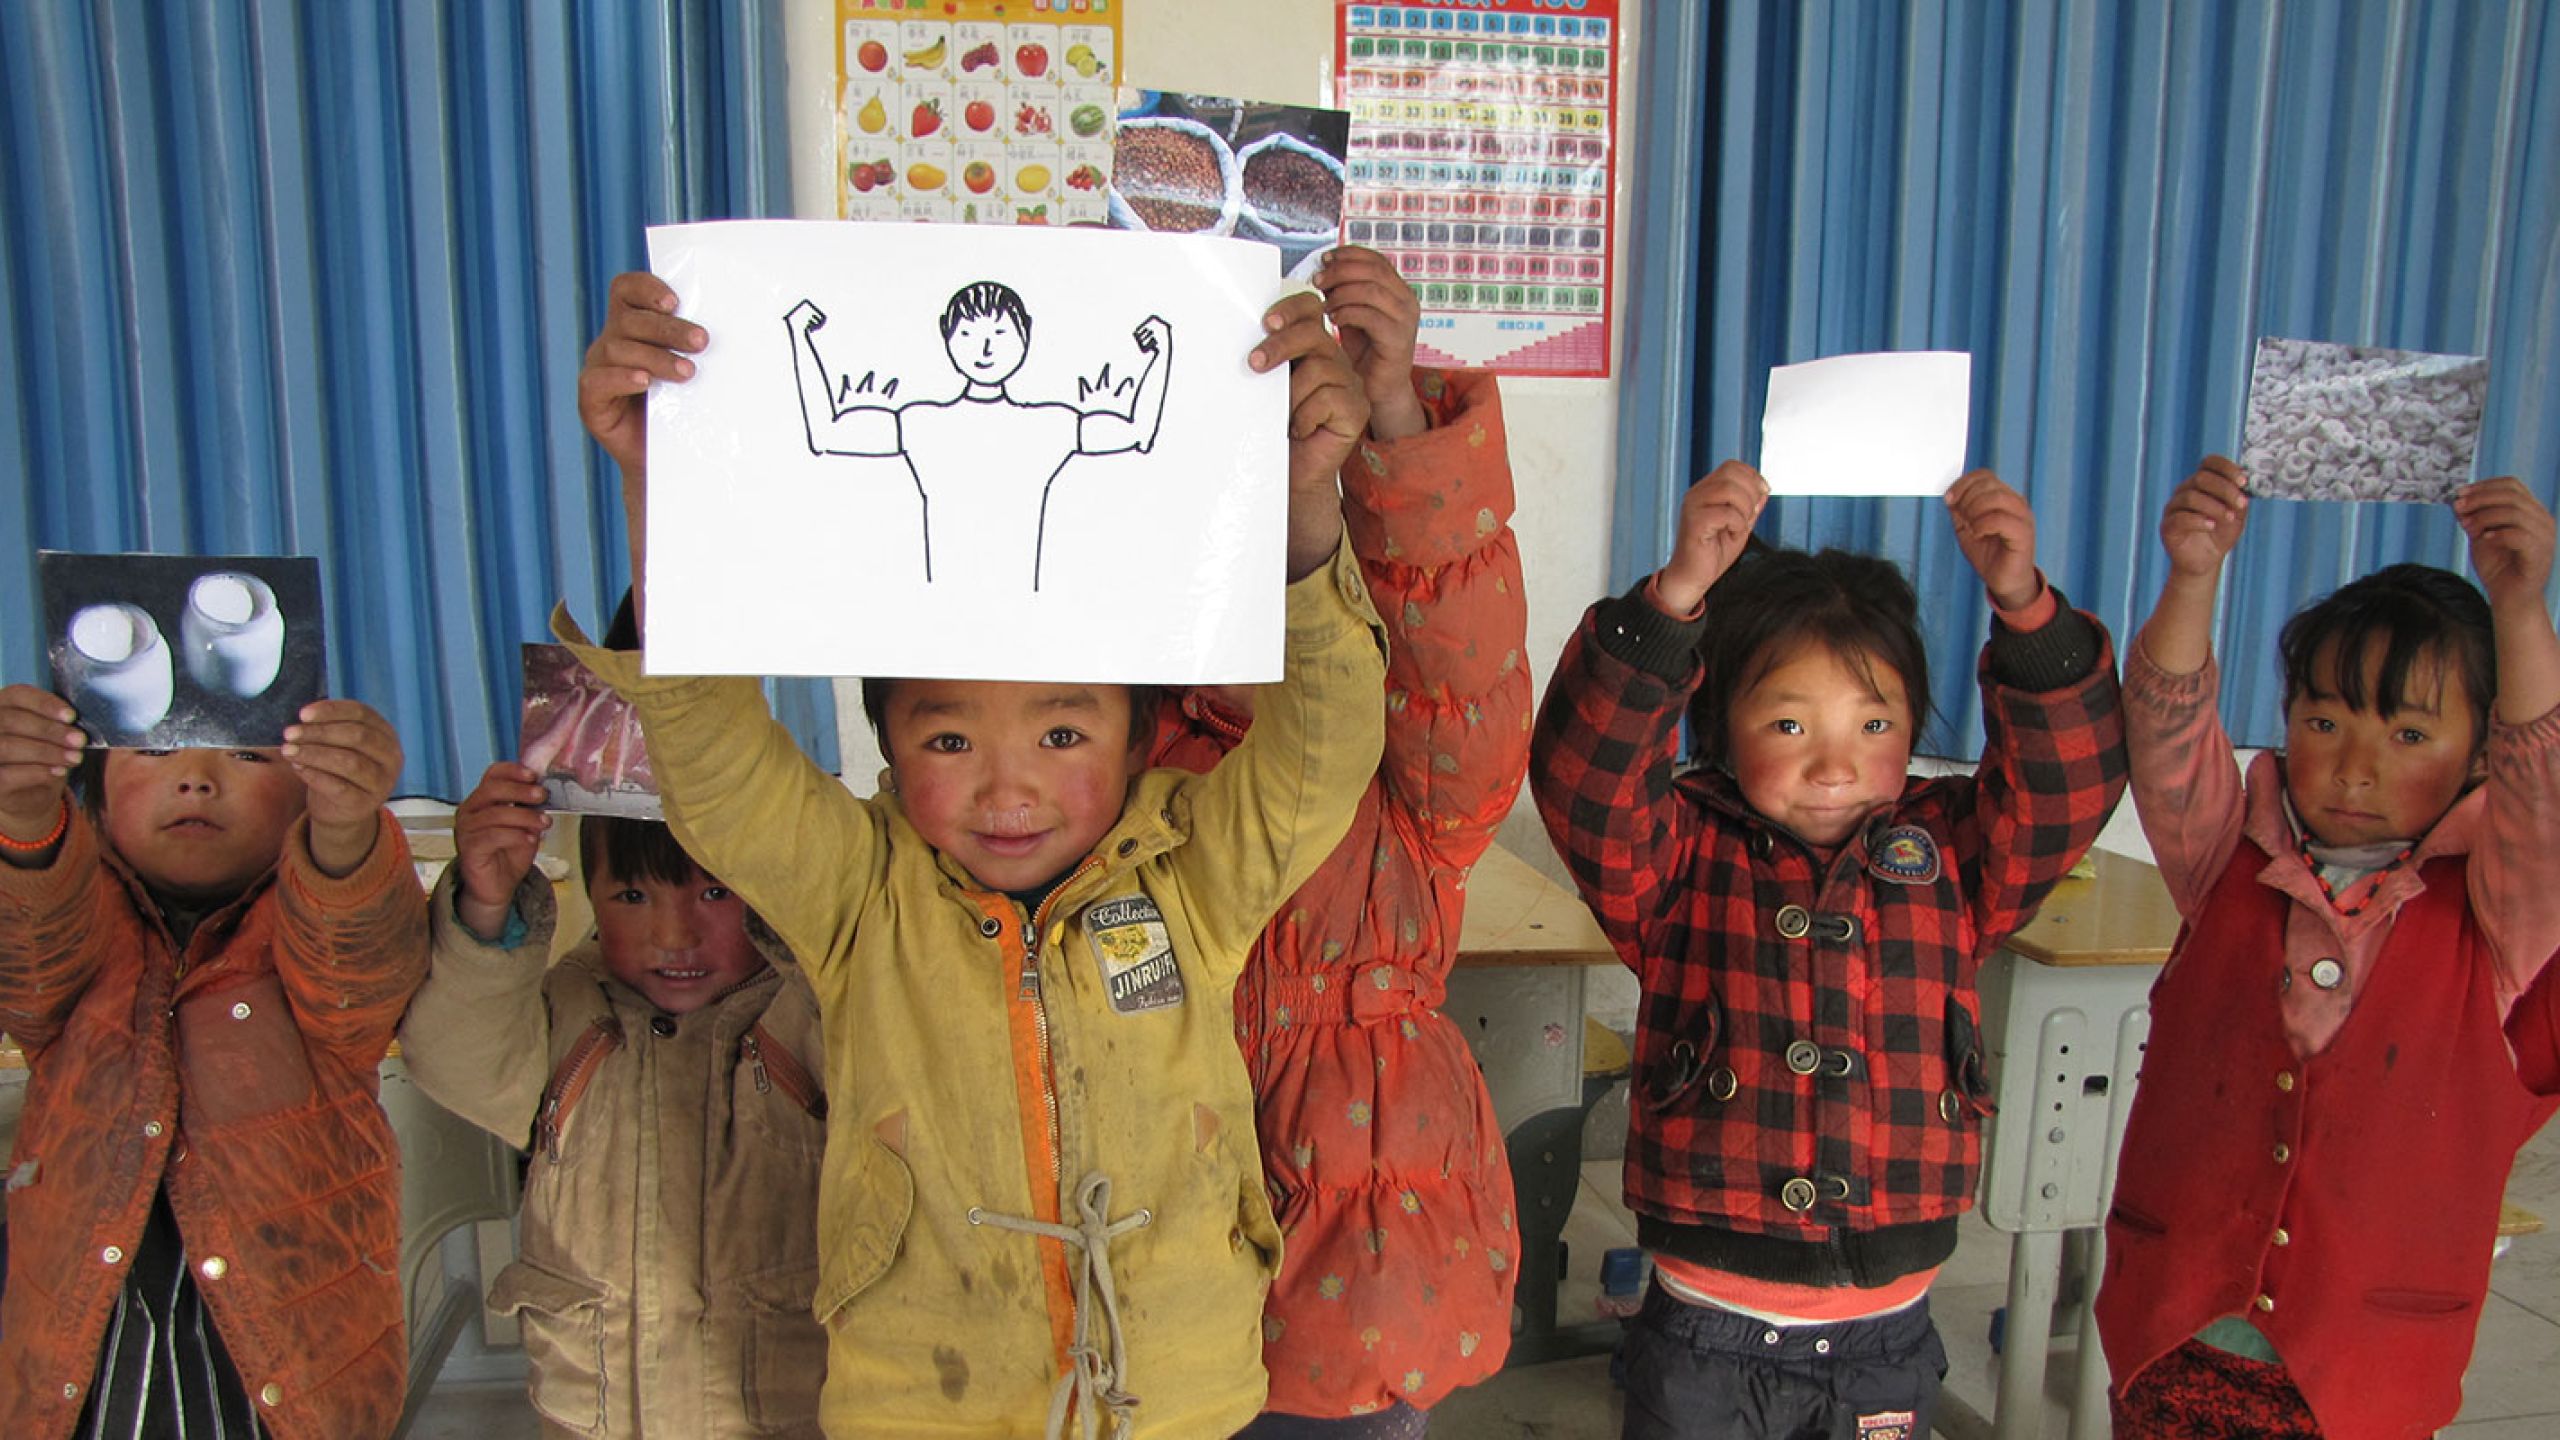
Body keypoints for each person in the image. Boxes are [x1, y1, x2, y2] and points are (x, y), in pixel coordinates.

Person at [570, 270, 1386, 1440]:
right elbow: (712, 755)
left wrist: (1307, 508)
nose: (1008, 787)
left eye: (1062, 731)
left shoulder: (1190, 879)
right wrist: (665, 480)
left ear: (1143, 734)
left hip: (1178, 1405)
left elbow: (1327, 736)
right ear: (888, 748)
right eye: (949, 735)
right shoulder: (858, 893)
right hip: (923, 1405)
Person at [1529, 461, 2126, 1440]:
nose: (1834, 764)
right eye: (1789, 722)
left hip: (1883, 1333)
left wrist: (2025, 609)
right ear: (1722, 723)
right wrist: (1673, 601)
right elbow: (1580, 776)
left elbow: (2068, 785)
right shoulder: (1679, 850)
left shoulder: (1950, 852)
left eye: (1874, 723)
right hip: (1700, 1330)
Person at [2095, 457, 2560, 1440]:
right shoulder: (2224, 851)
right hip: (2175, 1340)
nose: (2353, 765)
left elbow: (2542, 783)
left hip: (2364, 1377)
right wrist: (2192, 574)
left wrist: (2520, 610)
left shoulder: (2502, 911)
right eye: (2322, 720)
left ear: (2481, 753)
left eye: (2407, 733)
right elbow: (2168, 725)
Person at [1147, 247, 1525, 1437]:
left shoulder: (1405, 794)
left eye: (1302, 538)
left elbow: (1458, 660)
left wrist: (1397, 418)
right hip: (1135, 1309)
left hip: (1347, 1329)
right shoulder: (1100, 773)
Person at [0, 692, 427, 1439]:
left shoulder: (310, 944)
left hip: (287, 1383)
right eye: (156, 751)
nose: (196, 778)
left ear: (304, 798)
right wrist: (26, 812)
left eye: (249, 755)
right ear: (94, 801)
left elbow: (357, 957)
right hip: (87, 1376)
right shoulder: (79, 937)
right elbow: (30, 941)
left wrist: (347, 828)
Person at [397, 702, 828, 1435]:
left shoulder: (805, 1009)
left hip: (787, 1418)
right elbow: (456, 1055)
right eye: (632, 896)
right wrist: (487, 904)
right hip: (592, 1418)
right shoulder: (570, 1006)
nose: (674, 934)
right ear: (593, 898)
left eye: (715, 892)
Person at [786, 280, 1172, 589]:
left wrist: (1164, 352)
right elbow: (825, 434)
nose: (985, 346)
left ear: (1026, 335)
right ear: (947, 336)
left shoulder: (1047, 425)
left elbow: (1138, 433)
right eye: (968, 333)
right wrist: (798, 336)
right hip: (941, 627)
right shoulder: (923, 422)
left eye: (1000, 332)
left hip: (1028, 621)